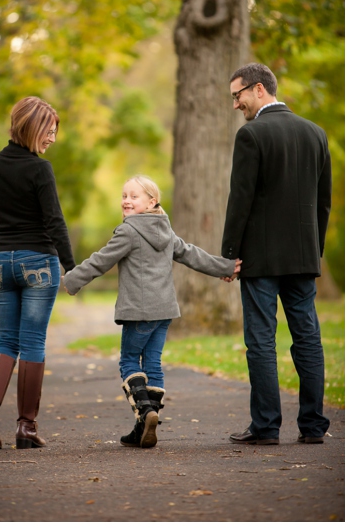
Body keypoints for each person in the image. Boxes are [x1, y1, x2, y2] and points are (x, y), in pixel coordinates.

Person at [63, 176, 240, 448]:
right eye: (124, 195)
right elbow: (192, 254)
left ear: (151, 201)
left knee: (129, 362)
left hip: (139, 312)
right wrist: (225, 267)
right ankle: (142, 426)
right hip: (165, 311)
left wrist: (72, 280)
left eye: (134, 196)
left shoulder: (128, 231)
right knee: (153, 365)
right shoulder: (165, 230)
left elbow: (101, 260)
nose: (126, 200)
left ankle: (145, 412)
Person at [223, 63, 332, 446]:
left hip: (261, 259)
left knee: (261, 341)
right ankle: (314, 426)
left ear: (257, 89)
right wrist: (313, 252)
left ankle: (266, 427)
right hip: (303, 257)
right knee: (308, 338)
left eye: (237, 95)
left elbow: (241, 201)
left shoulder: (252, 135)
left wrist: (229, 255)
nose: (235, 104)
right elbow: (324, 204)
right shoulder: (316, 133)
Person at [0, 97, 75, 451]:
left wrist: (0, 255)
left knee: (5, 340)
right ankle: (26, 427)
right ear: (32, 128)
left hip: (1, 261)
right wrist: (72, 267)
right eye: (48, 132)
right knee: (32, 342)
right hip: (38, 262)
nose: (51, 139)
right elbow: (54, 221)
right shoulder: (40, 169)